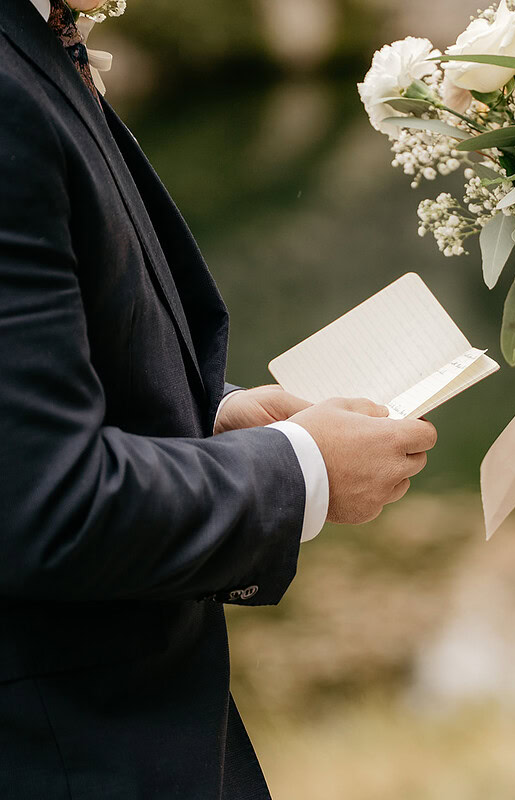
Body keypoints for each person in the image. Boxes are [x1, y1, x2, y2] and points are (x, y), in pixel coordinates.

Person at [0, 1, 436, 797]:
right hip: (65, 751)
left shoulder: (35, 43)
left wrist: (203, 416)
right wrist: (301, 469)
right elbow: (49, 501)